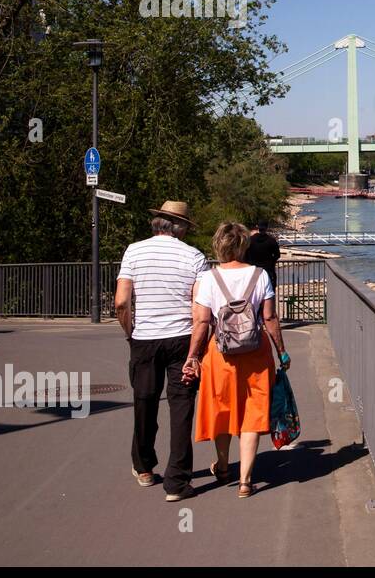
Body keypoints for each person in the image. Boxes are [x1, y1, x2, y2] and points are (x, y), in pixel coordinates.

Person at [185, 222, 290, 498]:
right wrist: (282, 351)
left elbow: (202, 322)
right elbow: (269, 318)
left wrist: (193, 356)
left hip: (220, 354)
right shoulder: (261, 276)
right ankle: (245, 481)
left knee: (222, 408)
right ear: (244, 245)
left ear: (218, 245)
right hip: (256, 353)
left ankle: (222, 466)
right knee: (253, 413)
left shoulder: (208, 278)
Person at [114, 200, 208, 502]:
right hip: (182, 338)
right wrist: (196, 351)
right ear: (180, 228)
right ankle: (177, 482)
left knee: (145, 401)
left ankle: (143, 467)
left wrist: (131, 332)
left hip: (144, 338)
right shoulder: (195, 256)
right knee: (182, 407)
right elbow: (199, 309)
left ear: (158, 223)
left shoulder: (133, 251)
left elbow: (121, 302)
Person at [244, 219, 280, 285]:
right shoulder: (271, 240)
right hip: (267, 270)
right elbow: (277, 255)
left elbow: (244, 254)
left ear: (257, 227)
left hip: (253, 271)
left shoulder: (250, 240)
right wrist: (271, 262)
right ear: (267, 227)